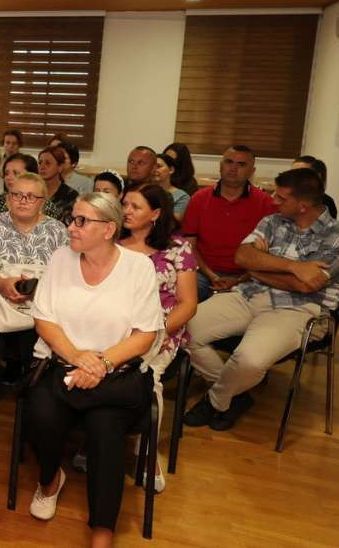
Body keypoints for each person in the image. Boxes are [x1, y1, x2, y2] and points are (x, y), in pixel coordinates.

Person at [26, 193, 162, 546]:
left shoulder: (138, 267)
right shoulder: (60, 259)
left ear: (108, 229)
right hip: (61, 365)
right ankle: (50, 480)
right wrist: (76, 355)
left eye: (82, 221)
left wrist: (102, 363)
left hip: (114, 373)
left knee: (106, 432)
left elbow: (145, 333)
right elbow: (44, 320)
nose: (71, 226)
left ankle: (103, 528)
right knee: (41, 416)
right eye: (73, 218)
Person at [184, 168, 339, 431]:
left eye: (281, 198)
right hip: (249, 295)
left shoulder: (335, 238)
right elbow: (242, 257)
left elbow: (307, 286)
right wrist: (294, 267)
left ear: (303, 205)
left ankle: (216, 400)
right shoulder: (272, 221)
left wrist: (261, 269)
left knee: (250, 361)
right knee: (181, 328)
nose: (273, 201)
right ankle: (236, 395)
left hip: (298, 309)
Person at [119, 183, 197, 492]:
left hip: (163, 327)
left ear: (155, 213)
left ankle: (147, 452)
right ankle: (101, 437)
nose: (126, 210)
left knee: (147, 374)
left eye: (135, 207)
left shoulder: (177, 248)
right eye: (125, 204)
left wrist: (158, 332)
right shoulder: (112, 242)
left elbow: (188, 303)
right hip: (115, 326)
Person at [0, 173, 67, 420]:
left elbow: (68, 277)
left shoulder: (58, 231)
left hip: (40, 310)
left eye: (31, 197)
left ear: (43, 201)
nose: (23, 201)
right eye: (17, 195)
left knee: (39, 352)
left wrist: (39, 288)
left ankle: (33, 417)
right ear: (7, 199)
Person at [180, 145, 276, 301]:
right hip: (203, 273)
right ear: (220, 166)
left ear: (252, 171)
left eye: (241, 164)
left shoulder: (265, 202)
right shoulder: (199, 198)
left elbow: (270, 252)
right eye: (229, 162)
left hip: (249, 276)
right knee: (180, 293)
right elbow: (189, 245)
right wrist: (212, 276)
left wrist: (239, 280)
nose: (233, 168)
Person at [0, 152, 40, 223]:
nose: (8, 177)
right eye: (6, 173)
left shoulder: (44, 205)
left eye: (16, 173)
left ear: (31, 176)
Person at [37, 145, 79, 224]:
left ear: (60, 167)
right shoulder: (33, 191)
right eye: (40, 162)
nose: (42, 167)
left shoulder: (70, 196)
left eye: (48, 163)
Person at [153, 153, 190, 222]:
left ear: (171, 170)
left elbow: (174, 221)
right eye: (152, 167)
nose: (154, 170)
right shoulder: (144, 190)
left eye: (158, 166)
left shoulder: (182, 197)